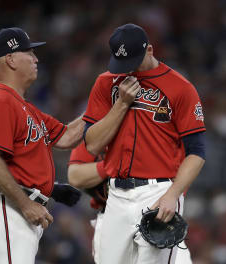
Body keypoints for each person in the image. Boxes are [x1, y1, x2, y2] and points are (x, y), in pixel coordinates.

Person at [83, 23, 206, 264]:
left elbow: (197, 152)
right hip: (116, 194)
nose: (126, 70)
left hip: (159, 193)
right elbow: (92, 145)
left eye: (132, 62)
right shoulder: (106, 83)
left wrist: (173, 194)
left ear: (149, 50)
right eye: (122, 63)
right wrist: (120, 104)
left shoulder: (180, 88)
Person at [0, 27, 84, 264]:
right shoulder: (1, 101)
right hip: (8, 206)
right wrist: (25, 204)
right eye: (29, 53)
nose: (36, 59)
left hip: (14, 207)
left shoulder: (23, 106)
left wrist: (106, 103)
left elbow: (67, 137)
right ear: (11, 59)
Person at [68, 141, 193, 264]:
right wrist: (113, 164)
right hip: (112, 219)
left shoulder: (164, 126)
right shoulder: (100, 125)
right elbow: (75, 176)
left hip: (157, 219)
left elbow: (189, 164)